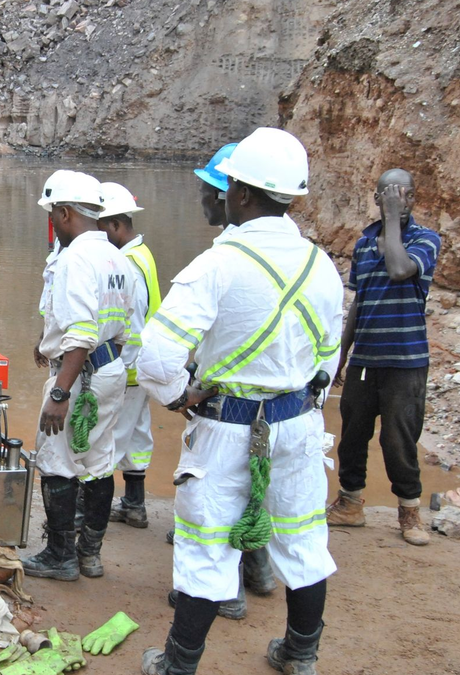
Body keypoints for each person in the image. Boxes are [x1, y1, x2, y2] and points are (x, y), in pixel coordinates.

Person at [137, 128, 343, 675]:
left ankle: (178, 665)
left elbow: (156, 357)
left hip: (227, 428)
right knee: (302, 543)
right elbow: (328, 359)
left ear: (245, 194)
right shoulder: (320, 265)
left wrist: (181, 395)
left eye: (228, 186)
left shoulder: (216, 265)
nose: (223, 195)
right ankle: (300, 655)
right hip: (299, 425)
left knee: (206, 547)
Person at [161, 144, 281, 622]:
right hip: (276, 400)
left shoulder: (228, 255)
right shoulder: (278, 250)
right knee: (255, 482)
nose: (203, 200)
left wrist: (181, 388)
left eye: (208, 190)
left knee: (222, 491)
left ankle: (226, 592)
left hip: (232, 398)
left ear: (231, 192)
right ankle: (261, 570)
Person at [24, 170, 139, 582]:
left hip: (78, 375)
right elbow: (126, 327)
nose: (53, 222)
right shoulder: (118, 258)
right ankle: (90, 554)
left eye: (54, 214)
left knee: (56, 462)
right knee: (99, 462)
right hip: (109, 371)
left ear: (66, 212)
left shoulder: (74, 259)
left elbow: (81, 333)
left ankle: (60, 556)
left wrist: (60, 392)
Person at [327, 169, 440, 546]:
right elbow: (359, 304)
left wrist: (391, 220)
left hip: (405, 361)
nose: (397, 201)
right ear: (376, 198)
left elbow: (398, 269)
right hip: (366, 359)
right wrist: (341, 357)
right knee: (353, 436)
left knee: (399, 439)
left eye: (403, 195)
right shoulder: (362, 245)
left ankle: (409, 512)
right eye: (388, 195)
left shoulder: (425, 240)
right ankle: (350, 504)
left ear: (412, 199)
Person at [95, 182, 160, 529]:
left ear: (116, 226)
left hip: (129, 368)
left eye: (101, 229)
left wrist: (116, 366)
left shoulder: (126, 264)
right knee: (136, 435)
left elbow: (131, 323)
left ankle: (90, 513)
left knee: (109, 440)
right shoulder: (142, 254)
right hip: (143, 367)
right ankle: (134, 504)